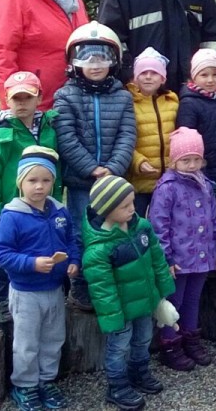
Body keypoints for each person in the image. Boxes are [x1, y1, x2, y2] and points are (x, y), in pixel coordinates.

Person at [52, 22, 136, 311]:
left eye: (102, 56)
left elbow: (128, 135)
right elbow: (66, 137)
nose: (95, 64)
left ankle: (111, 284)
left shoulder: (123, 96)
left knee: (113, 231)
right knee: (80, 232)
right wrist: (92, 169)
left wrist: (112, 168)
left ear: (113, 61)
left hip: (113, 181)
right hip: (81, 182)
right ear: (74, 61)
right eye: (86, 57)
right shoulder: (66, 95)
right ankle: (82, 288)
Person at [0, 146, 78, 411]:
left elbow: (72, 241)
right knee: (27, 342)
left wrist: (74, 261)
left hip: (54, 289)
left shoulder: (60, 211)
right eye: (32, 180)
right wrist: (31, 263)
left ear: (53, 181)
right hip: (25, 291)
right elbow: (1, 254)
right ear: (21, 182)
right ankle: (25, 385)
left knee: (53, 338)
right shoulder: (13, 215)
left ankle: (46, 380)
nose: (39, 187)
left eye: (46, 180)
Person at [81, 175, 176, 411]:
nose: (132, 209)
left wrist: (162, 292)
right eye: (124, 206)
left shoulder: (141, 227)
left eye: (132, 203)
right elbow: (102, 290)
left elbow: (157, 259)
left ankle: (139, 372)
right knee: (119, 346)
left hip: (144, 302)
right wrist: (113, 317)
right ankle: (117, 386)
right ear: (106, 210)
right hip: (121, 310)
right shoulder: (99, 250)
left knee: (143, 339)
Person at [0, 71, 61, 323]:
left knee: (44, 244)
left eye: (28, 97)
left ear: (39, 98)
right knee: (8, 251)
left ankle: (49, 291)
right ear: (7, 100)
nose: (22, 104)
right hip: (13, 207)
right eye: (16, 99)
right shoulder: (1, 136)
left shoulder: (50, 128)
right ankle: (3, 300)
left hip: (47, 202)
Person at [147, 128, 216, 371]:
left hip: (202, 255)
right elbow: (159, 226)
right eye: (185, 160)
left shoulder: (205, 185)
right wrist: (166, 258)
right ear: (174, 160)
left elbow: (213, 220)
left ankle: (191, 339)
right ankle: (170, 344)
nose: (192, 165)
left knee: (193, 300)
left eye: (196, 159)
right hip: (178, 259)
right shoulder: (167, 187)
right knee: (173, 303)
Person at [176, 48, 216, 223]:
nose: (210, 80)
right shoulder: (189, 103)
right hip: (204, 169)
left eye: (215, 74)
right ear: (194, 76)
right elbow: (185, 137)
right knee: (208, 215)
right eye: (204, 75)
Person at [125, 47, 179, 217]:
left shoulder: (172, 102)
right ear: (135, 77)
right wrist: (138, 162)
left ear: (162, 78)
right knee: (137, 222)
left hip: (169, 180)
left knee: (165, 223)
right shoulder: (128, 103)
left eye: (154, 73)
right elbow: (124, 140)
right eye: (143, 72)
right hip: (140, 180)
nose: (148, 77)